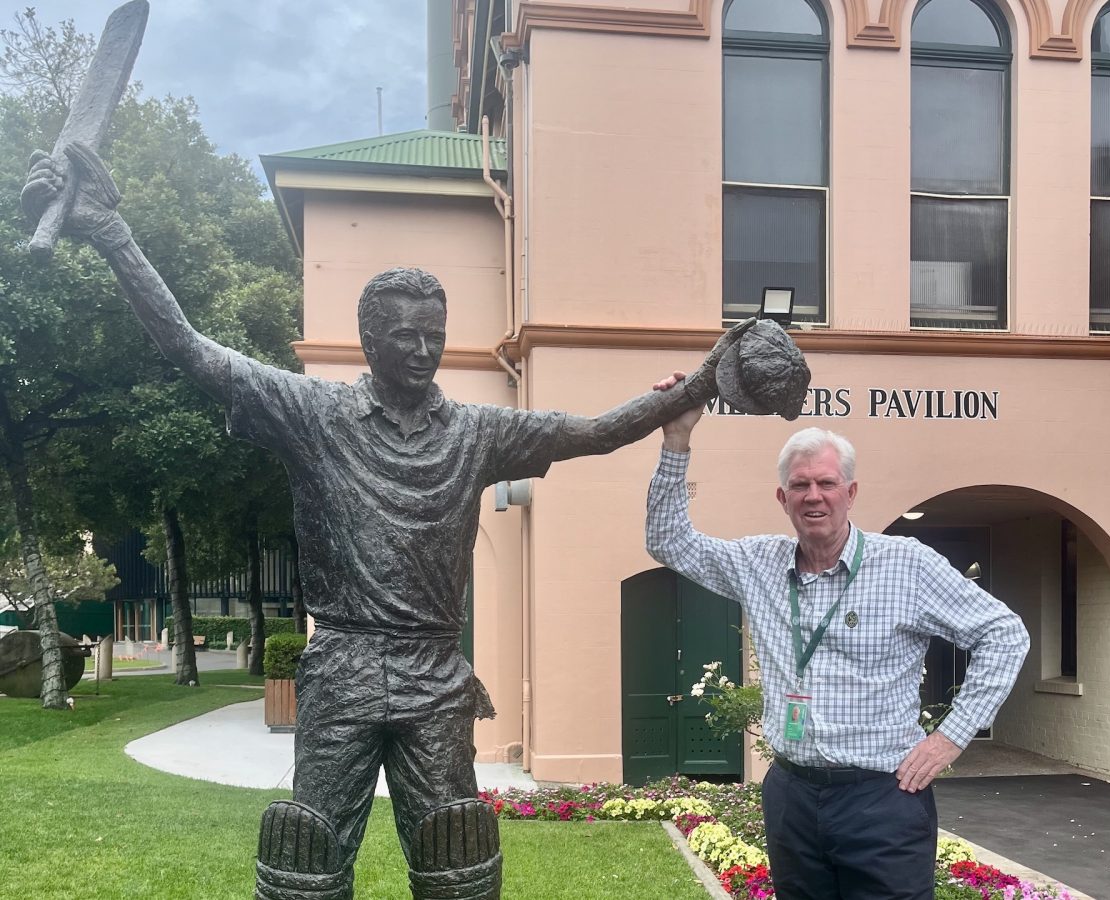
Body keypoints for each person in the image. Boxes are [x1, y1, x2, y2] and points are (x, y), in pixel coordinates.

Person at [21, 143, 752, 900]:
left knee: (458, 865)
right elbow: (193, 351)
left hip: (435, 678)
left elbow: (591, 431)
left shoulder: (477, 432)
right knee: (304, 864)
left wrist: (694, 387)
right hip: (342, 670)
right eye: (405, 335)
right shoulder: (316, 416)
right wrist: (113, 234)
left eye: (434, 332)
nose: (423, 348)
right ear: (370, 339)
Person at [644, 392, 1029, 900]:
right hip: (793, 796)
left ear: (850, 492)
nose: (813, 496)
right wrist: (676, 438)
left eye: (826, 483)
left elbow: (1004, 633)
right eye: (799, 485)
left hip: (884, 798)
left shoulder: (906, 566)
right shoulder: (758, 564)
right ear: (783, 499)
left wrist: (951, 737)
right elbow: (667, 540)